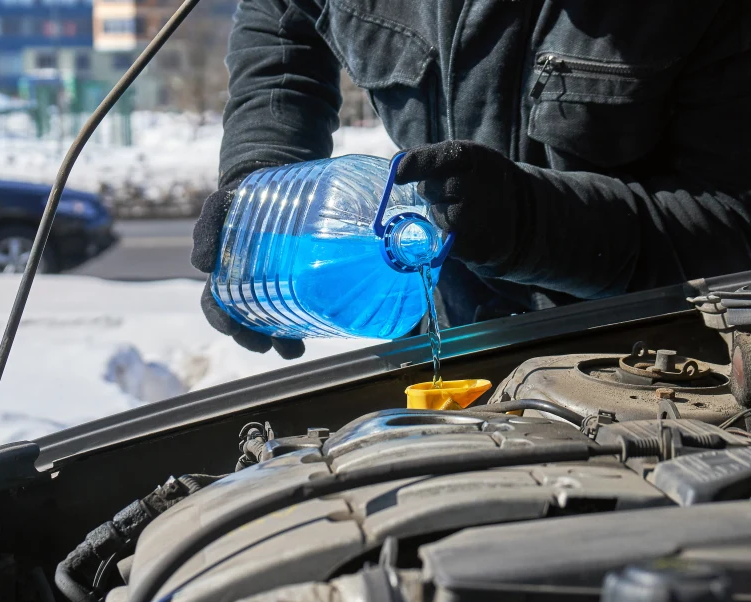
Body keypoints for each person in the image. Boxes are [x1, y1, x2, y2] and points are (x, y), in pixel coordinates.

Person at [190, 0, 751, 359]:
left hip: (652, 366)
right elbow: (280, 18)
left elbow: (735, 230)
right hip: (451, 345)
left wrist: (534, 225)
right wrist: (261, 178)